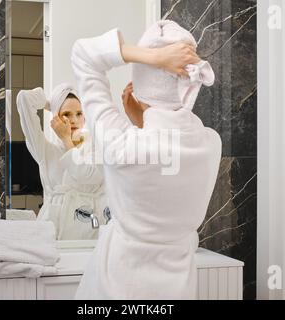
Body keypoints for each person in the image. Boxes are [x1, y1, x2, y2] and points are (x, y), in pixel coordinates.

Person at [71, 20, 222, 299]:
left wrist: (155, 58)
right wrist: (141, 120)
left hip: (117, 287)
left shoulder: (121, 144)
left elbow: (83, 54)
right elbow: (165, 155)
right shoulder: (210, 143)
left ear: (140, 85)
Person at [16, 84, 108, 240]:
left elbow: (87, 175)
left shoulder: (96, 148)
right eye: (66, 114)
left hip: (85, 232)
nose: (74, 120)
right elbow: (24, 98)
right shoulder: (46, 150)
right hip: (50, 230)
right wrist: (49, 104)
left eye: (79, 113)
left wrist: (67, 140)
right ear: (56, 118)